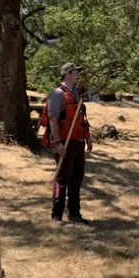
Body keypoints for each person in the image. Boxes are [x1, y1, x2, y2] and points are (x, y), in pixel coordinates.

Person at [42, 63, 92, 225]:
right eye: (76, 72)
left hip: (78, 142)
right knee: (62, 179)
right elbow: (53, 119)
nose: (78, 75)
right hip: (64, 142)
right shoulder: (58, 94)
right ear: (67, 74)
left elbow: (81, 118)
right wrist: (57, 143)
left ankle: (74, 213)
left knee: (76, 178)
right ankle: (56, 215)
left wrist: (88, 138)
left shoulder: (76, 93)